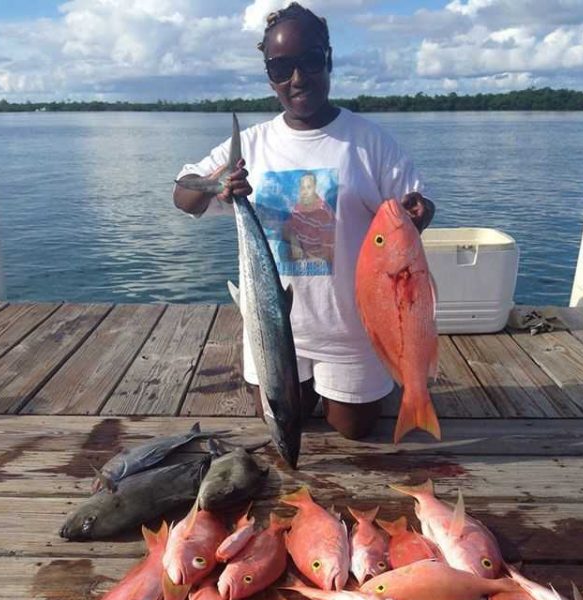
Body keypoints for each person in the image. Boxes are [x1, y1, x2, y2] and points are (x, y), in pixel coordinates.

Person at [173, 2, 435, 440]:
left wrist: (418, 213)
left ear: (328, 59)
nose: (297, 78)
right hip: (273, 327)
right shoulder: (252, 146)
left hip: (352, 328)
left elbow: (416, 210)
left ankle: (355, 381)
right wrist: (215, 184)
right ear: (269, 76)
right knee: (283, 420)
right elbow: (183, 195)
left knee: (354, 429)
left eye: (311, 61)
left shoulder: (369, 143)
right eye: (281, 68)